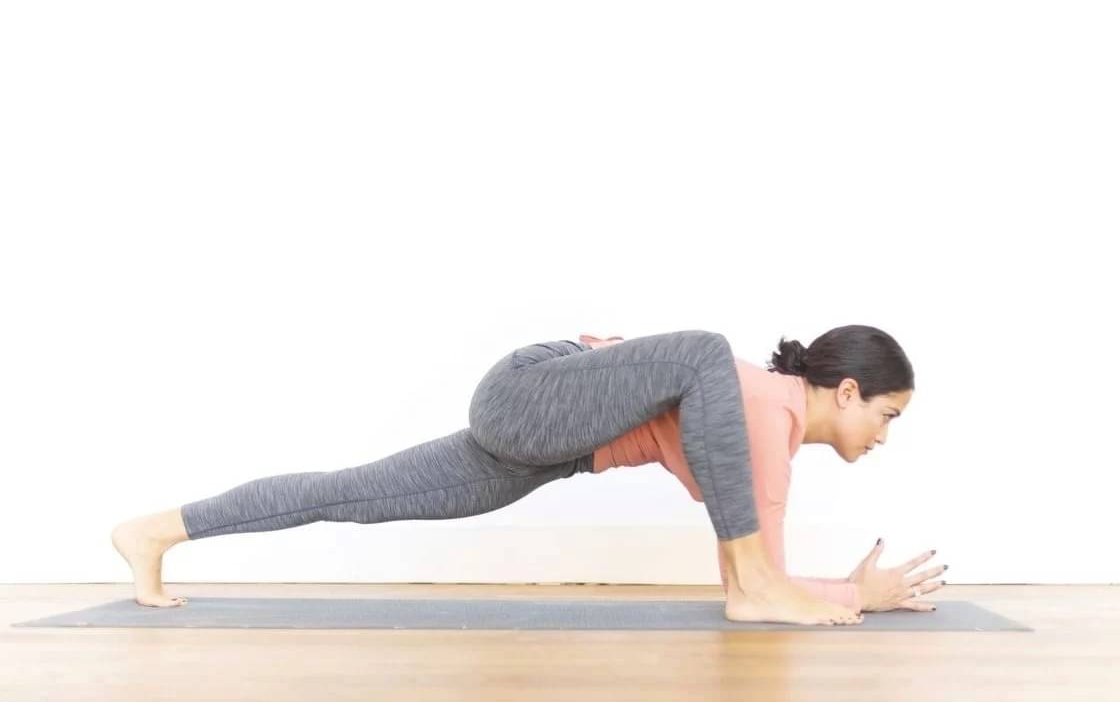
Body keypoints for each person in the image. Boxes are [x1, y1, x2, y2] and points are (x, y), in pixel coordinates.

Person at [110, 327, 913, 625]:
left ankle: (155, 532)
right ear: (845, 391)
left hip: (541, 449)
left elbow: (759, 579)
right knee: (705, 348)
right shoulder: (764, 403)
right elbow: (758, 586)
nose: (884, 435)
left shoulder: (762, 450)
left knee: (350, 492)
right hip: (534, 389)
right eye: (887, 414)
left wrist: (852, 591)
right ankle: (155, 531)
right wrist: (800, 591)